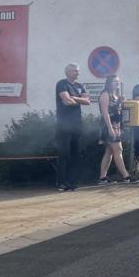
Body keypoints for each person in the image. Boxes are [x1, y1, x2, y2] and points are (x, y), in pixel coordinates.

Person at [97, 75, 139, 185]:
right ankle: (126, 176)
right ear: (109, 82)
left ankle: (102, 178)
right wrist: (110, 128)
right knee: (118, 149)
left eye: (118, 81)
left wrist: (121, 101)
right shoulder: (105, 94)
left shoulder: (115, 94)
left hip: (116, 125)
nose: (117, 83)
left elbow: (117, 109)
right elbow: (105, 113)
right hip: (109, 125)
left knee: (109, 151)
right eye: (115, 81)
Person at [55, 63, 90, 192]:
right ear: (67, 72)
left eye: (78, 71)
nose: (77, 73)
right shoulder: (62, 84)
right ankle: (61, 182)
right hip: (64, 125)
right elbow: (67, 101)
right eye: (75, 71)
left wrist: (73, 97)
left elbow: (87, 101)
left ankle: (71, 182)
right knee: (64, 153)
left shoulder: (80, 86)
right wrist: (78, 99)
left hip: (77, 124)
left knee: (76, 153)